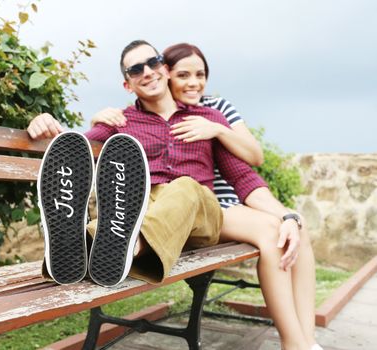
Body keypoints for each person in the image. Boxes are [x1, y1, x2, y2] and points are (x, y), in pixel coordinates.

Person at [28, 40, 320, 350]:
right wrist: (44, 124)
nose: (147, 72)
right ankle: (79, 245)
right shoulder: (121, 123)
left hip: (199, 208)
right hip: (143, 205)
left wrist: (285, 214)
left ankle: (130, 243)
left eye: (152, 63)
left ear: (165, 69)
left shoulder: (206, 119)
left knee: (189, 189)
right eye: (135, 69)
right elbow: (72, 151)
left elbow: (243, 176)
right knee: (134, 206)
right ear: (127, 84)